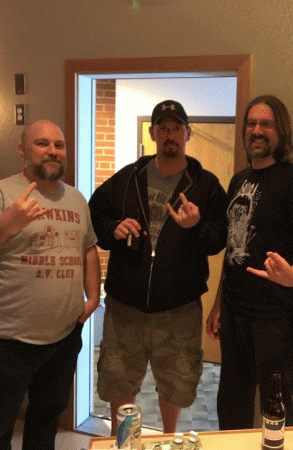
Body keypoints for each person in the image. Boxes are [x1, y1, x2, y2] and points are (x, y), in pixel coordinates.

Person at [0, 120, 101, 450]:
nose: (52, 151)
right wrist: (7, 222)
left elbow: (89, 246)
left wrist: (92, 298)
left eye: (59, 145)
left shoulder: (76, 199)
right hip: (6, 342)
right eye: (42, 143)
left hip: (63, 338)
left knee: (45, 423)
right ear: (23, 150)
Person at [88, 100, 228, 434]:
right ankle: (124, 440)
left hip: (179, 309)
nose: (169, 135)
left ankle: (168, 437)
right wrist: (113, 228)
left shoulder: (205, 184)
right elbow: (94, 216)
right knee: (120, 380)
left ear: (187, 134)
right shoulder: (128, 178)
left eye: (176, 128)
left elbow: (221, 238)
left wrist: (196, 226)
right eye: (163, 128)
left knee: (176, 383)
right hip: (124, 307)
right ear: (152, 133)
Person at [206, 95, 293, 430]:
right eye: (251, 123)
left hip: (275, 315)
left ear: (281, 131)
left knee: (275, 405)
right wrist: (218, 304)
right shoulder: (238, 180)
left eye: (266, 124)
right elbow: (234, 248)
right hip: (235, 311)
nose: (257, 130)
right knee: (231, 404)